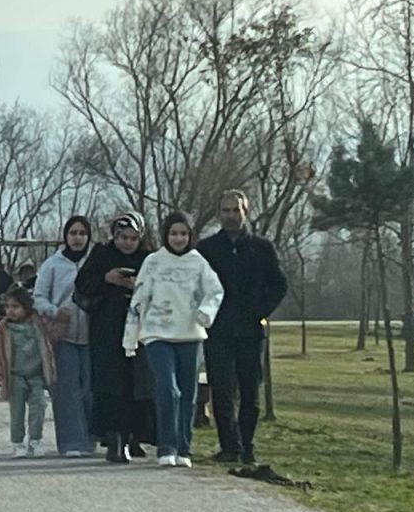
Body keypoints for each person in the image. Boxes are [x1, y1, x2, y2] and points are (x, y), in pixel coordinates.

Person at [124, 211, 225, 469]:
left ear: (190, 236)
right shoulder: (153, 262)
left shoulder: (198, 262)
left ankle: (184, 448)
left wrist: (205, 313)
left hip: (190, 335)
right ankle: (166, 446)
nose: (178, 238)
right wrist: (131, 338)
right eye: (173, 233)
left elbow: (215, 290)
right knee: (168, 389)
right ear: (165, 235)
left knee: (188, 393)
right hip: (157, 334)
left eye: (183, 234)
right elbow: (138, 300)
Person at [197, 189, 288, 465]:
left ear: (245, 212)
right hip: (219, 332)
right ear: (218, 214)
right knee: (222, 390)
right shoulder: (206, 250)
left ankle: (247, 446)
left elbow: (279, 285)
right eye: (225, 211)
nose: (231, 216)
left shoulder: (262, 248)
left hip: (250, 331)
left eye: (236, 211)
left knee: (250, 390)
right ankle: (229, 446)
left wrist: (259, 313)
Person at [74, 211, 156, 464]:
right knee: (111, 386)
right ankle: (114, 439)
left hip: (139, 331)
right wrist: (106, 279)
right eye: (122, 237)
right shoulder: (101, 255)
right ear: (114, 235)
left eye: (132, 238)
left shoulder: (148, 258)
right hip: (107, 330)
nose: (127, 243)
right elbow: (82, 286)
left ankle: (134, 437)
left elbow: (161, 288)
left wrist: (138, 286)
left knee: (137, 385)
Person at [34, 215, 95, 458]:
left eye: (82, 233)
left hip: (93, 335)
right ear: (65, 237)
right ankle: (71, 442)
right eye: (73, 233)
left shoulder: (94, 262)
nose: (78, 238)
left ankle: (91, 438)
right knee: (66, 390)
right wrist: (54, 311)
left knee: (90, 389)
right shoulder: (52, 265)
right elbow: (38, 297)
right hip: (63, 335)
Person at [0, 286, 56, 459]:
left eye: (15, 307)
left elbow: (48, 346)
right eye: (8, 307)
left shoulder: (38, 325)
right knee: (17, 412)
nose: (11, 311)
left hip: (36, 375)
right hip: (15, 376)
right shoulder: (2, 330)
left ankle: (35, 440)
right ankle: (17, 443)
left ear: (26, 308)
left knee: (39, 407)